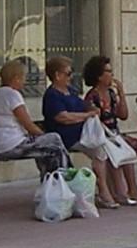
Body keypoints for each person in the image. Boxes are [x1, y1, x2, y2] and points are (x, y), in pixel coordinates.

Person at [42, 56, 120, 209]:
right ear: (57, 75)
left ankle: (108, 190)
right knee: (99, 149)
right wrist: (86, 116)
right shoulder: (52, 95)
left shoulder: (70, 91)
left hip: (81, 132)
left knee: (104, 148)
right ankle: (104, 191)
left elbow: (82, 105)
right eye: (68, 73)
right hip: (66, 135)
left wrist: (91, 109)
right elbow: (62, 117)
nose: (71, 77)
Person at [0, 60, 70, 177]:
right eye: (23, 77)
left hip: (1, 143)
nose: (25, 81)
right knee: (54, 139)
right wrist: (43, 136)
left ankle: (51, 179)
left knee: (46, 148)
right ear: (16, 78)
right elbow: (28, 125)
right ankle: (66, 176)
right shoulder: (12, 95)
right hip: (12, 144)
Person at [83, 55, 137, 206]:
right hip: (102, 135)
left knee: (133, 147)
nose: (112, 75)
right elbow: (95, 120)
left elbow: (123, 115)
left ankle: (133, 189)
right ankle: (119, 192)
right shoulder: (92, 96)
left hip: (115, 133)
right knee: (115, 152)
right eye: (108, 71)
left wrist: (121, 94)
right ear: (99, 76)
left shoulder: (111, 94)